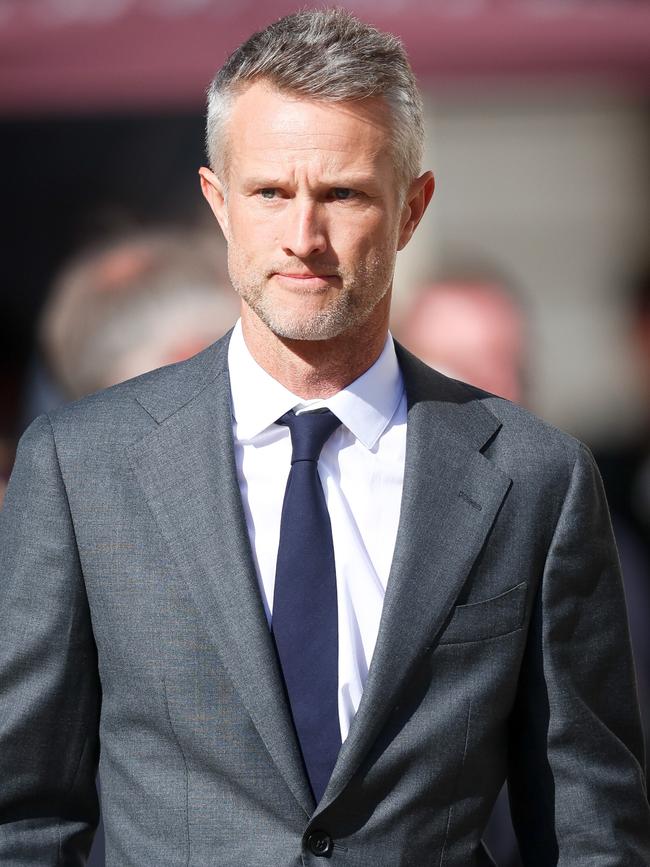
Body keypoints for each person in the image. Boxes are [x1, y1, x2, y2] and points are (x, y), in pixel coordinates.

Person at [1, 9, 649, 866]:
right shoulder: (81, 467)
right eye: (271, 192)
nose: (303, 238)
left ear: (413, 208)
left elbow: (589, 823)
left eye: (342, 194)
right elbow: (25, 813)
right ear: (218, 203)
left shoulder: (535, 478)